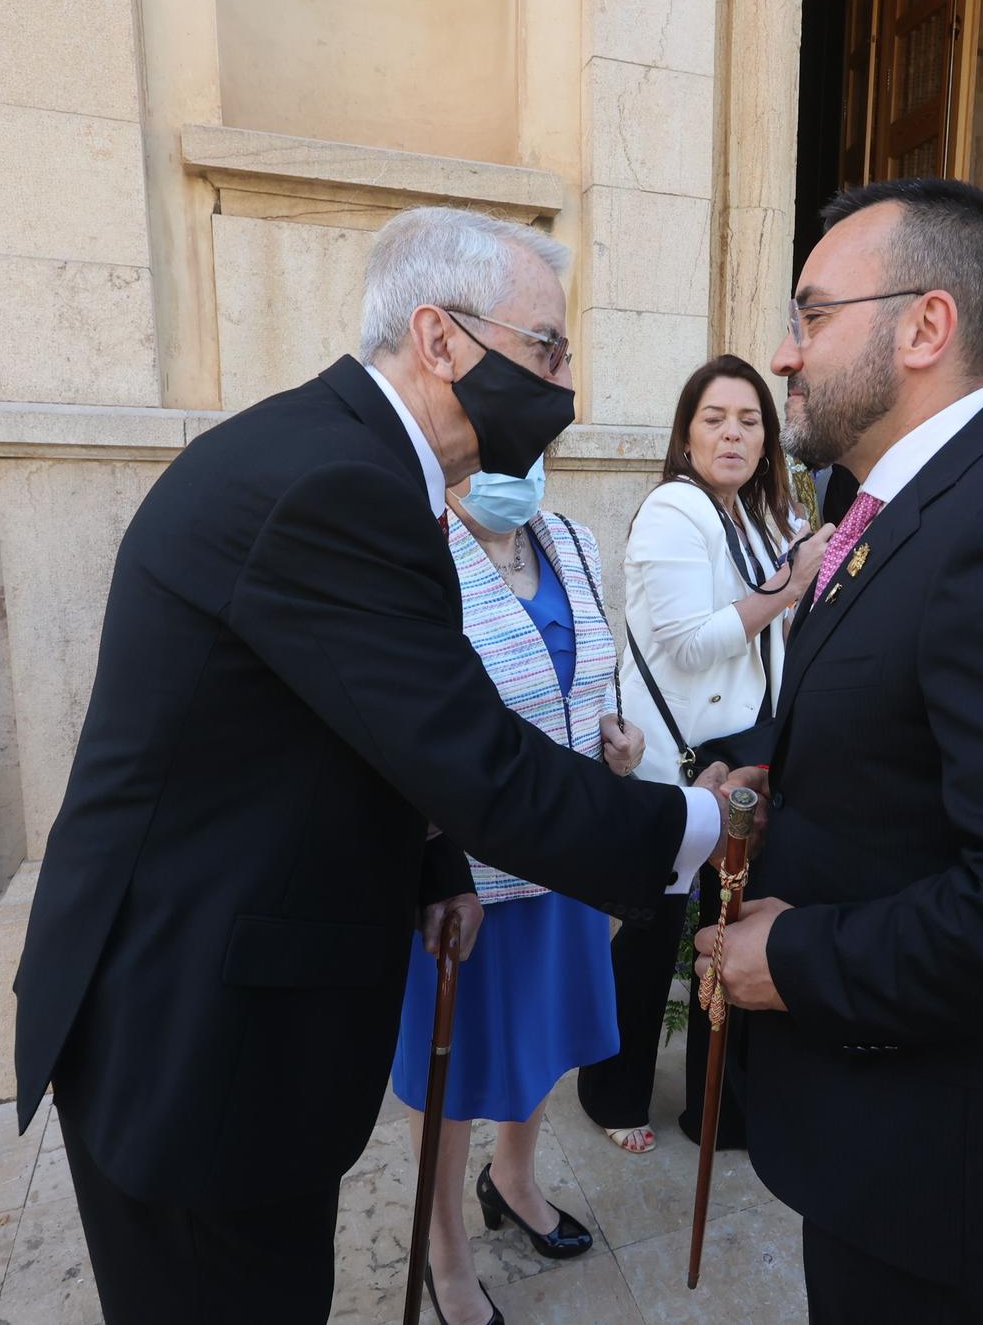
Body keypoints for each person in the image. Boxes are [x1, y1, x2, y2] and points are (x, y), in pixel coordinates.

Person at [9, 205, 736, 1323]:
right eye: (545, 350)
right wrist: (691, 825)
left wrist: (432, 862)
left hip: (214, 1000)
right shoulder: (335, 483)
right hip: (195, 1038)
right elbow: (481, 761)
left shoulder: (346, 458)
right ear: (440, 339)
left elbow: (354, 722)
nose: (562, 381)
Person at [692, 178, 983, 1324]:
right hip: (878, 1112)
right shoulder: (907, 500)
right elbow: (905, 709)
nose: (783, 354)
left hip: (937, 1133)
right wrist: (777, 770)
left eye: (810, 314)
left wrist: (794, 961)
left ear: (924, 326)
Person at [391, 459, 639, 1325]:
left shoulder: (568, 537)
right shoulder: (418, 551)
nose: (515, 461)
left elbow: (585, 668)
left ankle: (516, 1178)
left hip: (565, 849)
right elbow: (403, 719)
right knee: (449, 1070)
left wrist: (611, 733)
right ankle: (445, 1250)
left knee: (541, 1038)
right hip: (466, 875)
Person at [576, 355, 832, 1156]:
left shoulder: (758, 518)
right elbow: (690, 646)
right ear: (686, 435)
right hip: (674, 762)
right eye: (715, 418)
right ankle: (612, 1090)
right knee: (651, 938)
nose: (733, 433)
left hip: (745, 748)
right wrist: (792, 586)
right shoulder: (670, 512)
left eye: (749, 420)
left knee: (730, 929)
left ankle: (718, 1105)